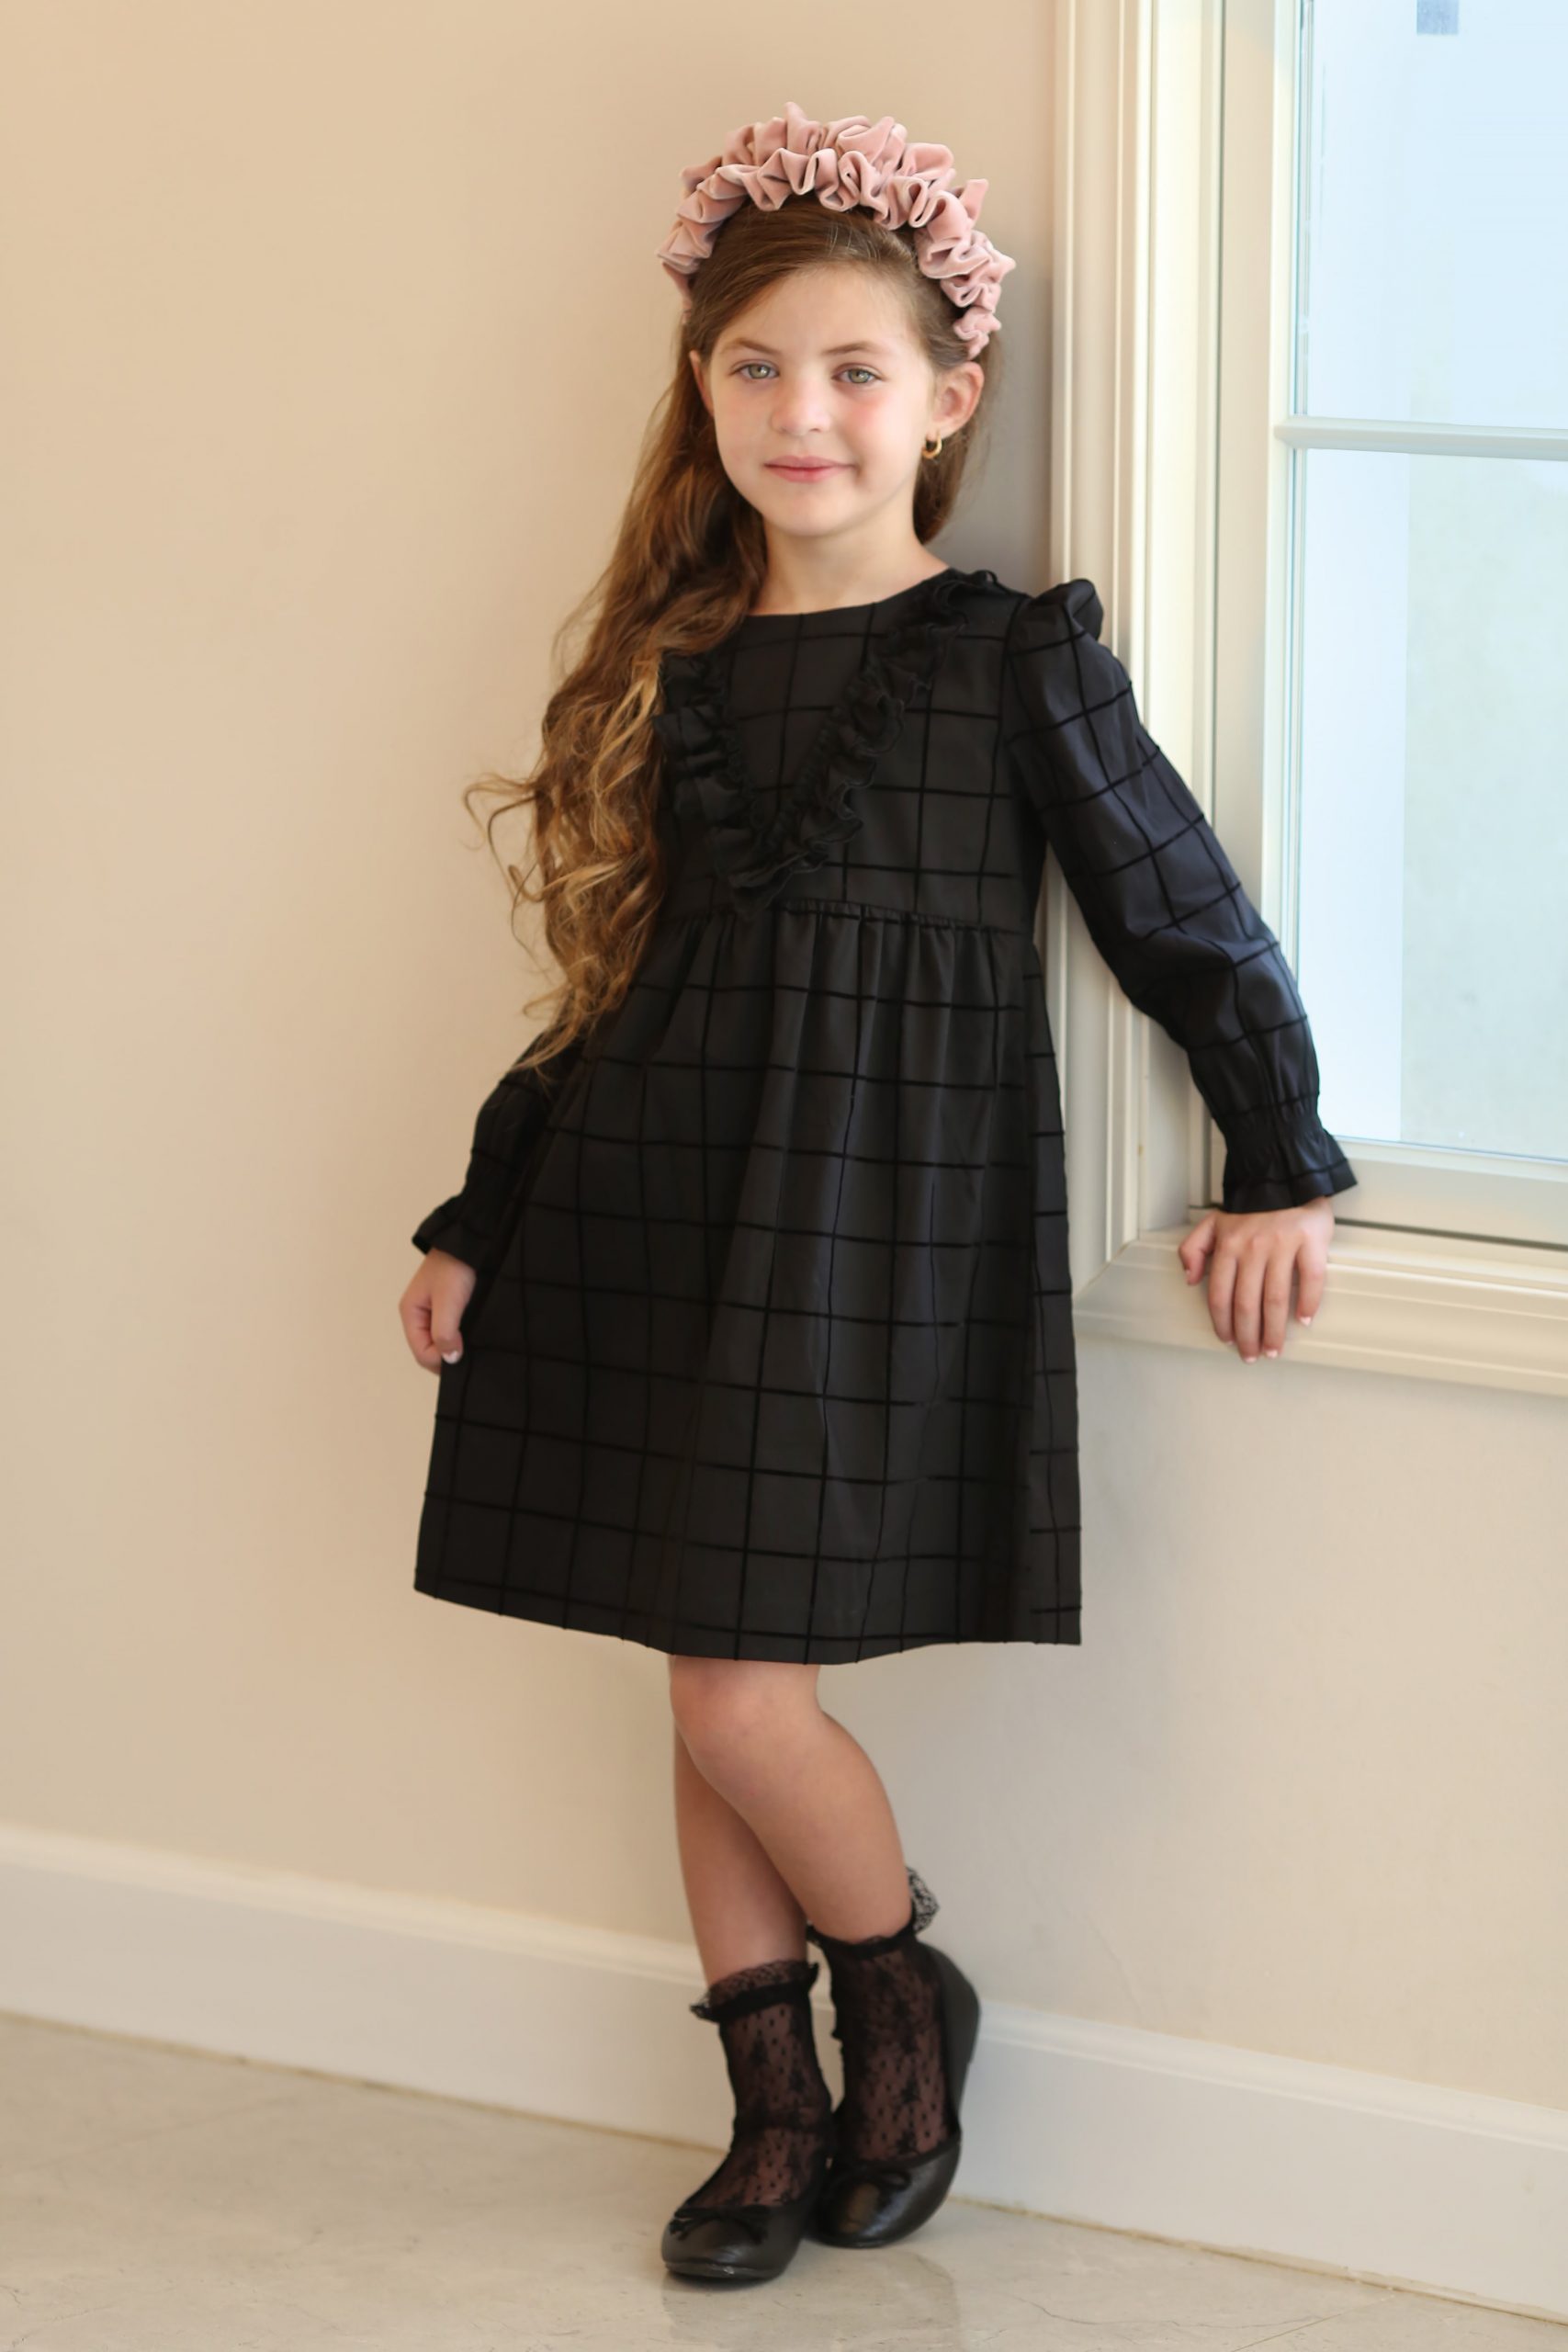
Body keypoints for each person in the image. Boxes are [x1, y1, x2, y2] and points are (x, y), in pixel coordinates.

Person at [397, 105, 1358, 2285]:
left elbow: (1178, 913)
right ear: (700, 389)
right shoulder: (671, 668)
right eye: (754, 367)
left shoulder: (1009, 658)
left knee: (739, 1690)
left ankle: (899, 1996)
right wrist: (479, 1210)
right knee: (697, 1675)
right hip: (649, 1196)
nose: (800, 411)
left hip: (860, 1224)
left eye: (851, 369)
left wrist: (1273, 1153)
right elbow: (607, 983)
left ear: (947, 397)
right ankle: (774, 2110)